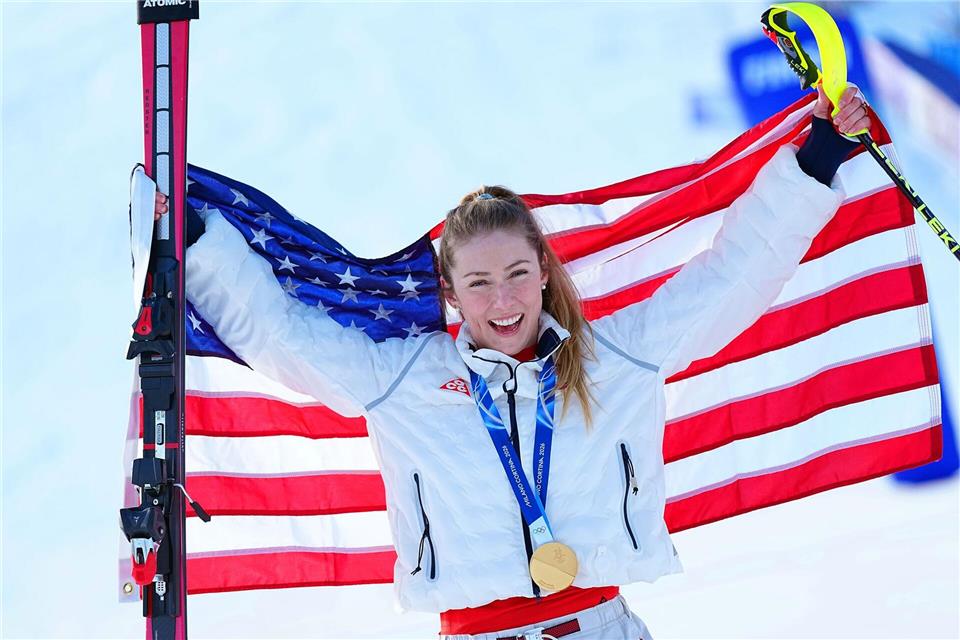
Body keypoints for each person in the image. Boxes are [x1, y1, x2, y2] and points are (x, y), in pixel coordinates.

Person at [153, 86, 870, 640]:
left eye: (518, 274)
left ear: (543, 267)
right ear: (449, 290)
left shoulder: (616, 353)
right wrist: (198, 242)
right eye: (479, 282)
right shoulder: (400, 378)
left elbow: (730, 279)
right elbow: (282, 335)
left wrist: (815, 165)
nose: (503, 301)